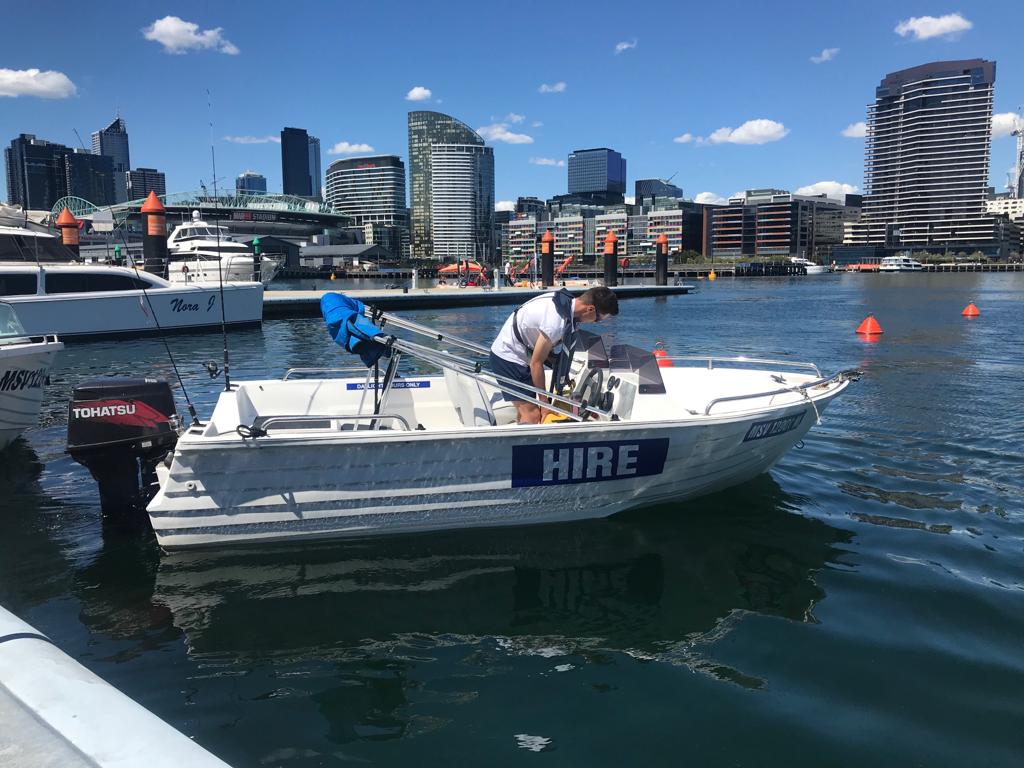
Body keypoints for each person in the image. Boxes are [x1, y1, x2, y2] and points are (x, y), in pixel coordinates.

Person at [489, 287, 618, 424]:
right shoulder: (556, 323)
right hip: (509, 358)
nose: (594, 323)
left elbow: (540, 346)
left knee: (526, 410)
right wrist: (545, 406)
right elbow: (536, 363)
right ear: (590, 309)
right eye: (598, 319)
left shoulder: (564, 303)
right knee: (533, 415)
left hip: (517, 352)